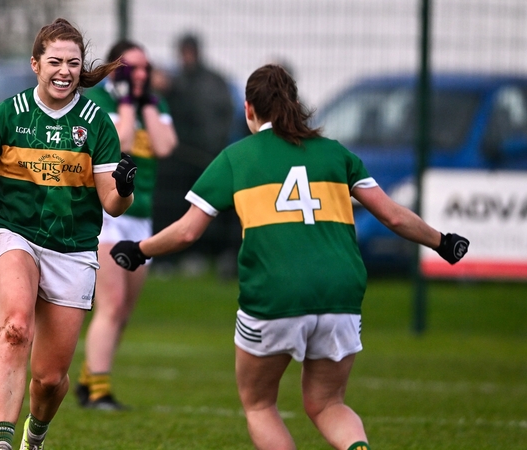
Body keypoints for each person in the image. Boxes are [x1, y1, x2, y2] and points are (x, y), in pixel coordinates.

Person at [108, 64, 470, 450]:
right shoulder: (336, 154)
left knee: (260, 404)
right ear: (295, 105)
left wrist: (138, 250)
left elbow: (187, 231)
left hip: (274, 293)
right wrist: (441, 241)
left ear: (249, 109)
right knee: (328, 403)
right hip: (340, 292)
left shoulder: (237, 157)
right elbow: (393, 215)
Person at [0, 18, 137, 450]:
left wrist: (124, 187)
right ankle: (1, 442)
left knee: (49, 380)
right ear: (35, 64)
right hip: (13, 234)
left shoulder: (96, 123)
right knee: (14, 327)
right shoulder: (7, 114)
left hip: (72, 250)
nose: (65, 70)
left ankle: (37, 435)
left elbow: (112, 204)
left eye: (73, 62)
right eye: (55, 61)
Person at [74, 40, 177, 410]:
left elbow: (165, 145)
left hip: (142, 217)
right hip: (109, 213)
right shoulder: (100, 102)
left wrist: (145, 100)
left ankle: (88, 378)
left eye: (145, 69)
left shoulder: (154, 102)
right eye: (132, 68)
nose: (141, 75)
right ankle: (98, 391)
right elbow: (122, 141)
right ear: (116, 69)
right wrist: (127, 101)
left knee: (126, 311)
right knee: (112, 304)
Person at [156, 33, 238, 277]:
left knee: (207, 206)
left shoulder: (213, 82)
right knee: (178, 207)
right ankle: (178, 256)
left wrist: (216, 143)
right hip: (179, 159)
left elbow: (225, 115)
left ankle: (204, 253)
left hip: (207, 155)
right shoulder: (176, 82)